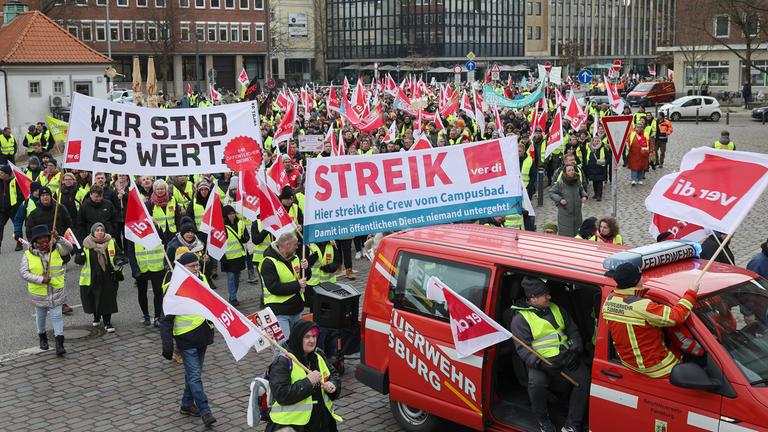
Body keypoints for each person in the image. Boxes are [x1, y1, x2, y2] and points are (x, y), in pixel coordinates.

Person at [509, 277, 589, 432]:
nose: (549, 297)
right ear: (533, 298)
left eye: (548, 293)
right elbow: (523, 350)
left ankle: (572, 424)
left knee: (584, 379)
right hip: (542, 362)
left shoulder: (557, 309)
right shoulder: (520, 319)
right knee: (536, 384)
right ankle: (542, 418)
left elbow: (573, 331)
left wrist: (576, 350)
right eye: (544, 295)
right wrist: (541, 364)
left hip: (566, 356)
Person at [603, 262, 699, 378]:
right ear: (636, 281)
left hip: (628, 363)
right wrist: (691, 293)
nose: (643, 279)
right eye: (641, 277)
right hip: (656, 368)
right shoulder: (643, 306)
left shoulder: (609, 301)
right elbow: (677, 316)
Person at [160, 252, 217, 427]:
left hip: (203, 335)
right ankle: (205, 410)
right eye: (192, 266)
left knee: (194, 373)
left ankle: (186, 404)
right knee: (194, 376)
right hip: (186, 338)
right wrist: (168, 346)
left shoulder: (202, 278)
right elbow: (166, 319)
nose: (196, 268)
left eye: (197, 264)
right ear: (182, 268)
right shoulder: (174, 288)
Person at [265, 320, 343, 432]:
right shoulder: (282, 361)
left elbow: (334, 375)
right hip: (293, 426)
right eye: (307, 337)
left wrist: (333, 385)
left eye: (314, 336)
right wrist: (308, 382)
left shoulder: (318, 354)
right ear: (298, 338)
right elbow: (281, 394)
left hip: (323, 423)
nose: (312, 340)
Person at [20, 224, 73, 355]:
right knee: (41, 316)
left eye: (46, 238)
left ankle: (60, 344)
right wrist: (40, 279)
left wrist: (59, 238)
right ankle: (42, 337)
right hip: (39, 293)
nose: (44, 241)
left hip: (56, 290)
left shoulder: (56, 248)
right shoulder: (28, 254)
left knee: (57, 316)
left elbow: (69, 248)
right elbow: (23, 273)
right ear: (35, 241)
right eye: (41, 239)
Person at [259, 232, 310, 341]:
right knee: (283, 345)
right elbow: (274, 287)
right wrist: (297, 285)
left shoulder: (294, 257)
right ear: (287, 245)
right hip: (279, 311)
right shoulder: (268, 262)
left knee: (297, 343)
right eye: (295, 244)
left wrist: (306, 268)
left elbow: (304, 278)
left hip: (296, 309)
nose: (297, 247)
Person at [75, 222, 121, 332]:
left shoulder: (111, 242)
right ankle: (96, 316)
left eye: (102, 230)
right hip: (92, 276)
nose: (100, 232)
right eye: (97, 230)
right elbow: (79, 261)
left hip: (108, 275)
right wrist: (80, 254)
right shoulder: (86, 244)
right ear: (93, 232)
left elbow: (118, 254)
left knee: (107, 299)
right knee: (94, 298)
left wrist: (119, 259)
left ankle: (107, 322)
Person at [221, 205, 249, 306]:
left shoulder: (240, 223)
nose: (232, 215)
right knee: (231, 278)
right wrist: (222, 257)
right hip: (228, 258)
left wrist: (244, 239)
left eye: (233, 213)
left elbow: (247, 236)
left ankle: (233, 295)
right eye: (230, 214)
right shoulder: (221, 227)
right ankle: (233, 298)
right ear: (225, 215)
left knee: (237, 278)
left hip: (239, 256)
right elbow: (219, 243)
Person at [549, 165, 587, 237]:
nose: (571, 171)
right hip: (565, 214)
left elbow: (581, 190)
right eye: (569, 170)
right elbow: (551, 192)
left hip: (577, 214)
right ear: (565, 173)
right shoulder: (560, 183)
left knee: (578, 235)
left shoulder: (577, 180)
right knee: (567, 236)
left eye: (572, 170)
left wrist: (584, 196)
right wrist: (560, 199)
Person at [0, 164, 22, 252]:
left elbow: (20, 196)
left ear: (7, 174)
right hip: (2, 210)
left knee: (17, 227)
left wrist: (17, 207)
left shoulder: (15, 182)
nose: (0, 174)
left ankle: (19, 243)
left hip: (13, 209)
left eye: (2, 173)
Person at [583, 136, 609, 201]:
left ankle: (599, 196)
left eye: (598, 141)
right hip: (592, 168)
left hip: (600, 168)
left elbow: (608, 158)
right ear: (592, 142)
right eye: (595, 141)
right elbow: (586, 157)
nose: (596, 142)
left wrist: (605, 163)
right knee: (594, 182)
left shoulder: (603, 148)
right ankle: (596, 194)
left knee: (599, 182)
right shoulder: (589, 148)